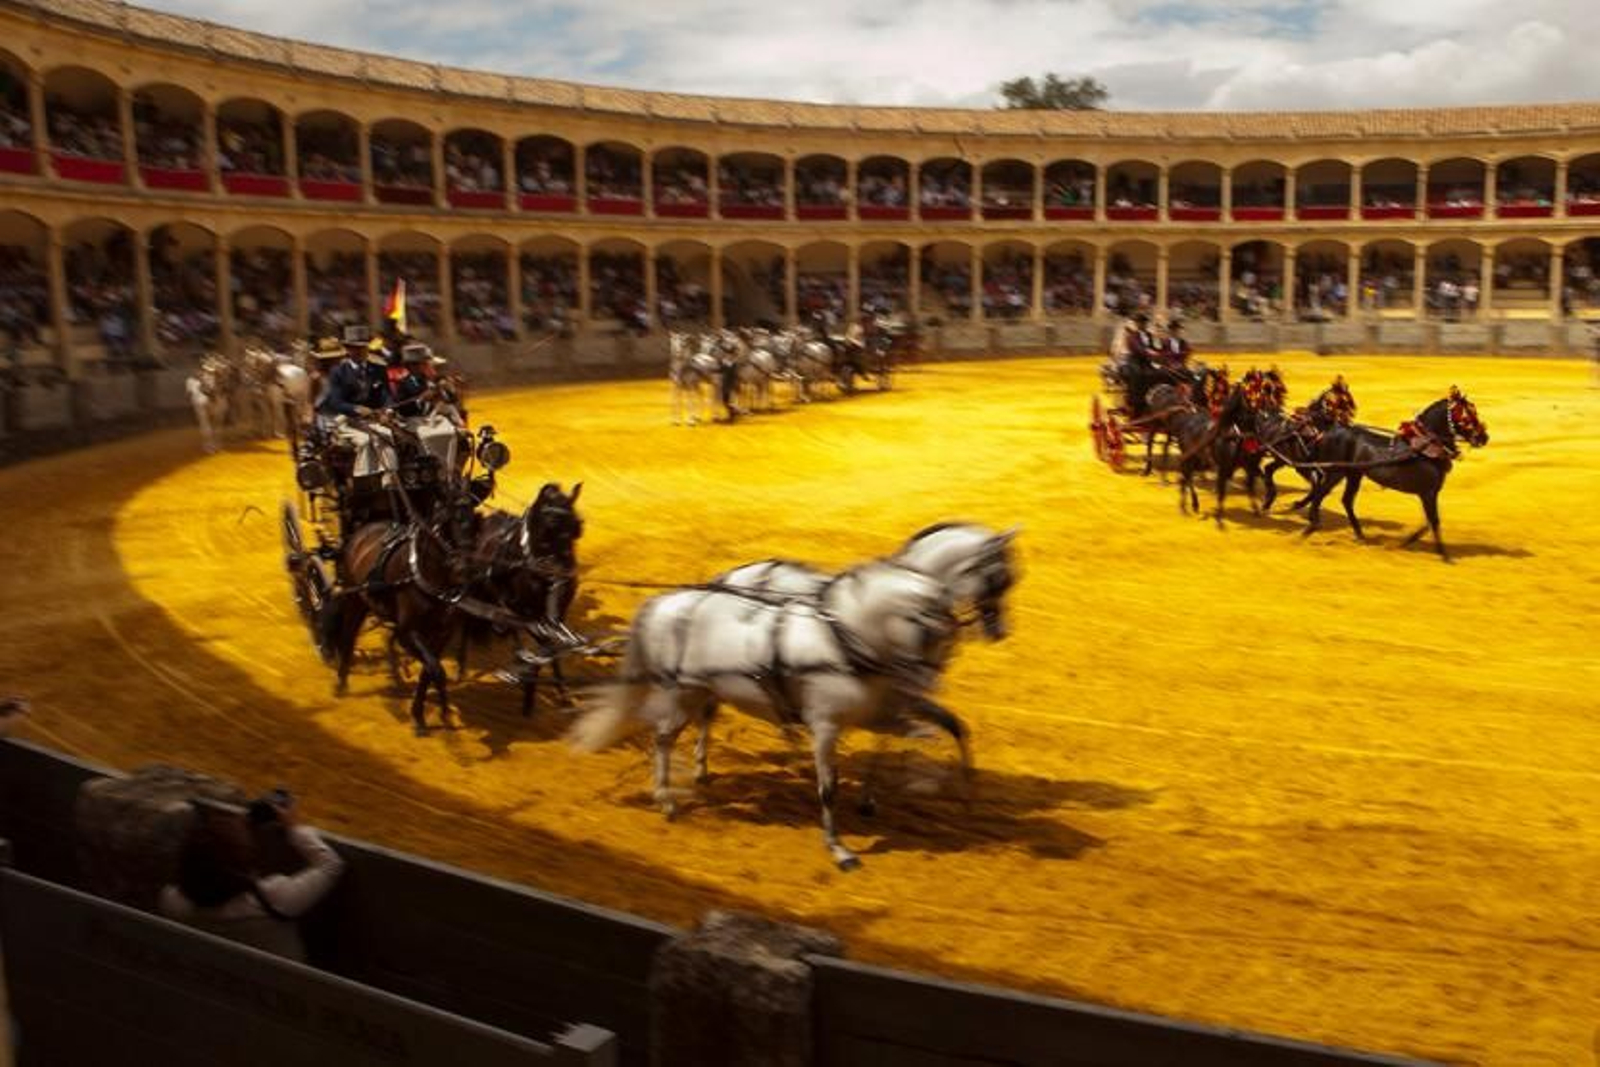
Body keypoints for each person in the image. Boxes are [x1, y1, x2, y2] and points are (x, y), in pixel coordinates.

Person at [159, 793, 344, 963]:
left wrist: (243, 827)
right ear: (244, 868)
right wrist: (294, 828)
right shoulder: (273, 899)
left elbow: (209, 867)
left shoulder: (171, 902)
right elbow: (331, 865)